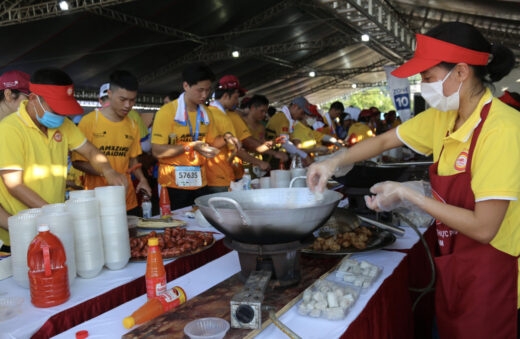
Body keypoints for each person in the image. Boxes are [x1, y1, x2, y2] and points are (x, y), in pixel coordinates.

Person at [307, 22, 519, 339]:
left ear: (461, 72)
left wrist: (411, 195)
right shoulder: (445, 116)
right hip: (457, 264)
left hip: (496, 274)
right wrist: (333, 162)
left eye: (428, 77)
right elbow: (383, 141)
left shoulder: (502, 129)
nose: (422, 86)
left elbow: (484, 228)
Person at [0, 68, 127, 246]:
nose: (61, 115)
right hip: (22, 235)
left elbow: (90, 151)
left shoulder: (65, 126)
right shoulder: (9, 129)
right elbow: (14, 185)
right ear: (35, 99)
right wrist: (54, 212)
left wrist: (107, 170)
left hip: (55, 227)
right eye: (56, 109)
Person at [72, 71, 151, 214]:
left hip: (127, 199)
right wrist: (108, 173)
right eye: (122, 99)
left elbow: (133, 160)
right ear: (109, 93)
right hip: (97, 201)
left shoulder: (133, 125)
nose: (128, 105)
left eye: (132, 100)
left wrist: (142, 179)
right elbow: (78, 162)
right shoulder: (90, 121)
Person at [151, 63, 219, 210]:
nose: (204, 95)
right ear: (186, 86)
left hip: (200, 181)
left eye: (207, 90)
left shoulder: (207, 113)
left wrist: (227, 137)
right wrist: (191, 146)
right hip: (172, 183)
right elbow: (157, 151)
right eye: (200, 90)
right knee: (175, 227)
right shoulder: (167, 112)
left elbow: (212, 142)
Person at [206, 75, 243, 193]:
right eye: (236, 98)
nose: (237, 102)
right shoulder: (223, 117)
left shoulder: (206, 113)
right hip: (222, 177)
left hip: (207, 177)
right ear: (226, 96)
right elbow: (235, 150)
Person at [265, 96, 314, 165]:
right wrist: (305, 156)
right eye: (302, 113)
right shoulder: (282, 118)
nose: (302, 117)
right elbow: (285, 143)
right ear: (295, 107)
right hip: (268, 159)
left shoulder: (288, 120)